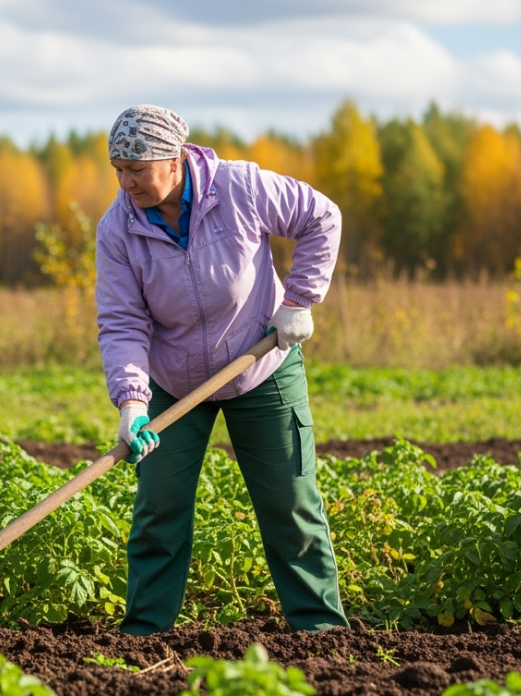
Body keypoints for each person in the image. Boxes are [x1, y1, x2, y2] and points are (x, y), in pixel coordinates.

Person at [95, 105, 349, 635]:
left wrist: (299, 300)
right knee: (158, 510)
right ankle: (144, 634)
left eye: (136, 168)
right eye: (117, 169)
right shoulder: (117, 229)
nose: (126, 182)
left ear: (174, 159)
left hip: (262, 366)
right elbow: (122, 321)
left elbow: (322, 217)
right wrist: (133, 402)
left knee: (290, 504)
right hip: (173, 382)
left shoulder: (239, 187)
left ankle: (320, 633)